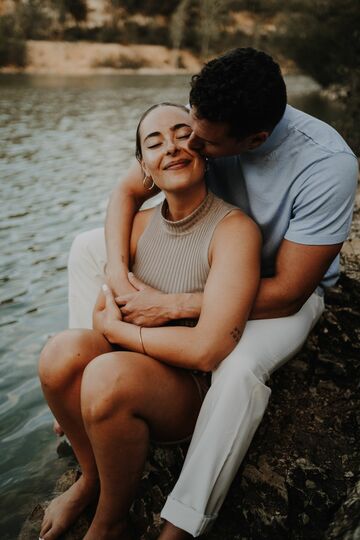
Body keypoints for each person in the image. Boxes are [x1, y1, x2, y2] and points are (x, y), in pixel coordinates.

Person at [65, 48, 358, 540]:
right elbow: (126, 193)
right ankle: (82, 384)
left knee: (239, 369)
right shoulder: (201, 123)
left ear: (254, 140)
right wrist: (118, 273)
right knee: (87, 247)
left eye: (203, 140)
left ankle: (181, 522)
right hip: (206, 257)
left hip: (273, 288)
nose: (188, 144)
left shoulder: (326, 165)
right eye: (188, 126)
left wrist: (174, 304)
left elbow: (288, 291)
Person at [38, 103, 261, 540]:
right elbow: (107, 298)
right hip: (129, 366)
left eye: (183, 134)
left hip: (186, 388)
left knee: (104, 376)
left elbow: (208, 349)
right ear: (144, 167)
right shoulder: (138, 227)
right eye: (155, 143)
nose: (172, 148)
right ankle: (90, 478)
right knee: (58, 354)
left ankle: (110, 520)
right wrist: (110, 318)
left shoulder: (234, 230)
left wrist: (119, 331)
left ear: (203, 147)